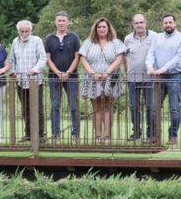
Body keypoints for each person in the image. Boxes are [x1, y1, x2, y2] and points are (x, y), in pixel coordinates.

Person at [80, 17, 126, 143]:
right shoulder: (89, 42)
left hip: (110, 78)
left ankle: (107, 136)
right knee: (96, 108)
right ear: (95, 29)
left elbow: (119, 59)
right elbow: (83, 58)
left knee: (108, 107)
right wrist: (92, 72)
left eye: (104, 27)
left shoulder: (115, 42)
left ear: (108, 28)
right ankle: (98, 137)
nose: (101, 29)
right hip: (92, 79)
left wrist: (107, 72)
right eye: (99, 27)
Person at [146, 14, 181, 145]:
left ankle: (173, 135)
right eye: (165, 23)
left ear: (175, 24)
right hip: (158, 77)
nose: (168, 25)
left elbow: (179, 57)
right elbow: (151, 53)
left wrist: (163, 68)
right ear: (162, 24)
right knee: (153, 107)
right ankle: (154, 136)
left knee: (174, 108)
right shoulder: (157, 38)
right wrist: (149, 66)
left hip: (175, 75)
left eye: (170, 22)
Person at [44, 11, 81, 143]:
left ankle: (76, 135)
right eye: (59, 20)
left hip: (72, 77)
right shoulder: (49, 38)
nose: (61, 23)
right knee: (55, 106)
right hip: (54, 77)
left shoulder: (74, 37)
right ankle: (56, 135)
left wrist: (68, 72)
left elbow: (78, 56)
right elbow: (47, 58)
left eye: (63, 20)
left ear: (68, 22)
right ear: (55, 22)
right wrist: (58, 72)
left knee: (74, 105)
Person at [9, 20, 47, 143]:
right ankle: (29, 134)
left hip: (35, 81)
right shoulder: (15, 41)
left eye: (26, 31)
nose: (24, 33)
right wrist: (13, 71)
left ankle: (40, 135)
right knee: (25, 109)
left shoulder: (37, 40)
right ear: (18, 31)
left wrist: (35, 70)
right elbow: (12, 59)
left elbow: (43, 58)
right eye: (22, 31)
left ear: (30, 31)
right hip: (21, 81)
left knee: (37, 108)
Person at [123, 13, 156, 142]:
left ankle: (151, 134)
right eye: (136, 23)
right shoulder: (128, 39)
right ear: (133, 25)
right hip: (132, 78)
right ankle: (136, 133)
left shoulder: (155, 36)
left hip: (149, 78)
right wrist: (127, 71)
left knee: (150, 107)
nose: (139, 25)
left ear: (146, 23)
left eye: (141, 22)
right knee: (134, 107)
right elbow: (124, 56)